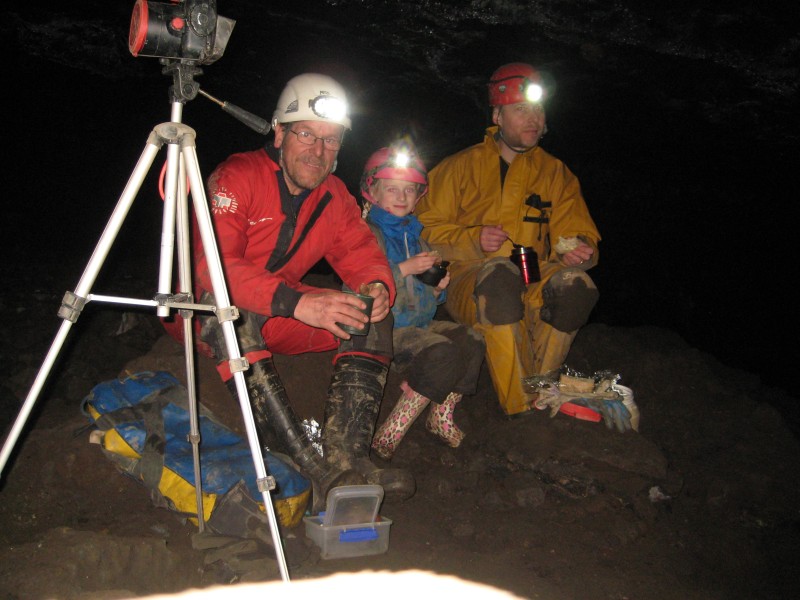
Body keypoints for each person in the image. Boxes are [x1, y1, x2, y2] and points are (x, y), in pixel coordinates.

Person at [187, 73, 414, 512]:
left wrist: (376, 285)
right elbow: (211, 268)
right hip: (204, 313)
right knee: (232, 311)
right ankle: (313, 465)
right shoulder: (237, 177)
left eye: (331, 141)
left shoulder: (333, 196)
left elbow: (359, 249)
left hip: (278, 316)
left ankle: (351, 459)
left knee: (368, 313)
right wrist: (298, 302)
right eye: (307, 134)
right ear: (279, 133)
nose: (319, 150)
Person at [415, 62, 602, 417]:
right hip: (469, 277)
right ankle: (519, 409)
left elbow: (575, 228)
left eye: (537, 109)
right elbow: (422, 228)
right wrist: (471, 239)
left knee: (576, 287)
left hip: (530, 273)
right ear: (498, 115)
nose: (533, 118)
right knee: (499, 278)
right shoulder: (458, 168)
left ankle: (541, 390)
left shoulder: (555, 174)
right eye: (521, 109)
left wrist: (578, 249)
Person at [358, 143, 486, 460]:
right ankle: (391, 430)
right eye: (392, 189)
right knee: (443, 353)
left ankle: (440, 417)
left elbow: (424, 294)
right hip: (387, 330)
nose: (402, 198)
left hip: (419, 324)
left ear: (418, 197)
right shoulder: (366, 232)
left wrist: (437, 289)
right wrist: (404, 268)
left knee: (472, 339)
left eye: (409, 191)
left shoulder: (419, 238)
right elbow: (358, 280)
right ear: (372, 192)